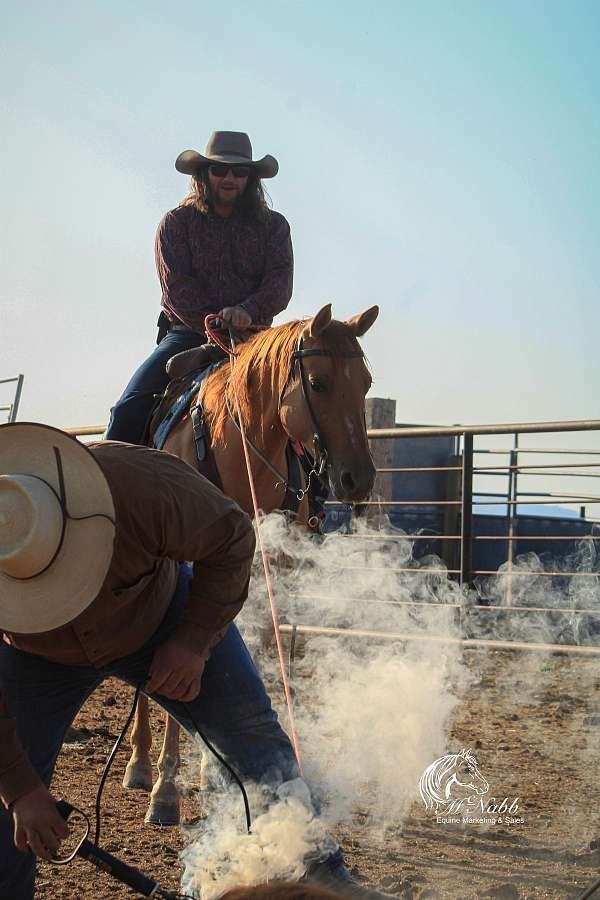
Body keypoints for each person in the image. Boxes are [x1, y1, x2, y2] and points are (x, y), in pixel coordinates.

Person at [0, 424, 391, 900]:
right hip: (36, 654)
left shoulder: (140, 485)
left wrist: (193, 640)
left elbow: (231, 538)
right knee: (6, 799)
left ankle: (317, 872)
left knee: (252, 736)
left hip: (161, 614)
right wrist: (20, 789)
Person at [106, 131, 294, 444]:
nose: (230, 177)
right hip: (188, 334)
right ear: (204, 174)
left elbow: (280, 281)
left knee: (309, 404)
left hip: (255, 337)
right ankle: (108, 485)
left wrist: (247, 311)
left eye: (240, 171)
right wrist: (217, 319)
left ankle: (312, 492)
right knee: (128, 410)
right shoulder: (176, 223)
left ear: (251, 177)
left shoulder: (274, 226)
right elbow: (176, 288)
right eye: (220, 170)